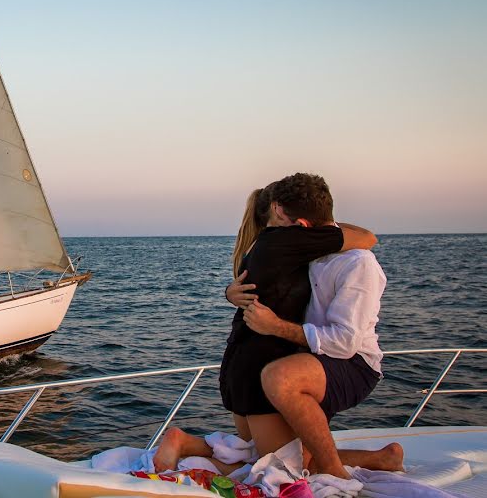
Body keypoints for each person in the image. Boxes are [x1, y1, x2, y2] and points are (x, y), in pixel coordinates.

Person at [155, 174, 399, 474]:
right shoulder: (296, 244)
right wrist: (269, 323)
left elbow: (346, 341)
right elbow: (368, 236)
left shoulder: (295, 249)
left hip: (281, 362)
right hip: (266, 362)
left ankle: (188, 445)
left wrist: (234, 296)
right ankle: (187, 448)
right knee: (280, 466)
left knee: (270, 456)